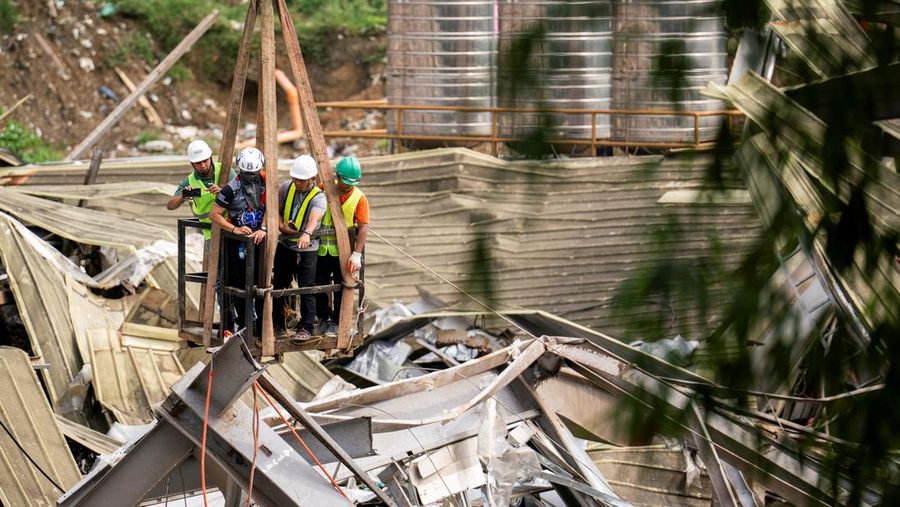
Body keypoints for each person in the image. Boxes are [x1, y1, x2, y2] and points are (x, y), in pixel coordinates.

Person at [208, 147, 269, 335]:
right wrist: (234, 229)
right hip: (236, 245)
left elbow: (273, 209)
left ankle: (258, 327)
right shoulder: (231, 189)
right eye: (246, 173)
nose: (250, 177)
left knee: (261, 284)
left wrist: (263, 228)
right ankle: (237, 326)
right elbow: (214, 214)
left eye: (253, 173)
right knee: (235, 284)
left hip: (259, 243)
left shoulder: (266, 184)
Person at [273, 155, 326, 339]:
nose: (298, 183)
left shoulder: (318, 197)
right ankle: (278, 324)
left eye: (302, 180)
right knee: (279, 284)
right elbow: (276, 210)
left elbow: (315, 218)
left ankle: (306, 327)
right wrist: (281, 226)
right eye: (295, 178)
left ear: (312, 179)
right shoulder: (287, 187)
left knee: (306, 287)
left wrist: (306, 233)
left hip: (308, 247)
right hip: (286, 243)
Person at [316, 156, 369, 335]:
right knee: (319, 285)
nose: (347, 186)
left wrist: (357, 253)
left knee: (343, 286)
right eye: (344, 182)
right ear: (337, 176)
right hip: (321, 249)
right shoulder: (323, 190)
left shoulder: (359, 198)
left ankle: (339, 322)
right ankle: (323, 319)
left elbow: (363, 227)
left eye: (350, 183)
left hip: (344, 252)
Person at [166, 140, 236, 245]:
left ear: (210, 157)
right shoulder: (190, 182)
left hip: (232, 227)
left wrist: (223, 192)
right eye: (198, 163)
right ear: (192, 163)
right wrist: (183, 196)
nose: (203, 165)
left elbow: (241, 194)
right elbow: (170, 206)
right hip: (210, 233)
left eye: (205, 161)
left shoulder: (224, 171)